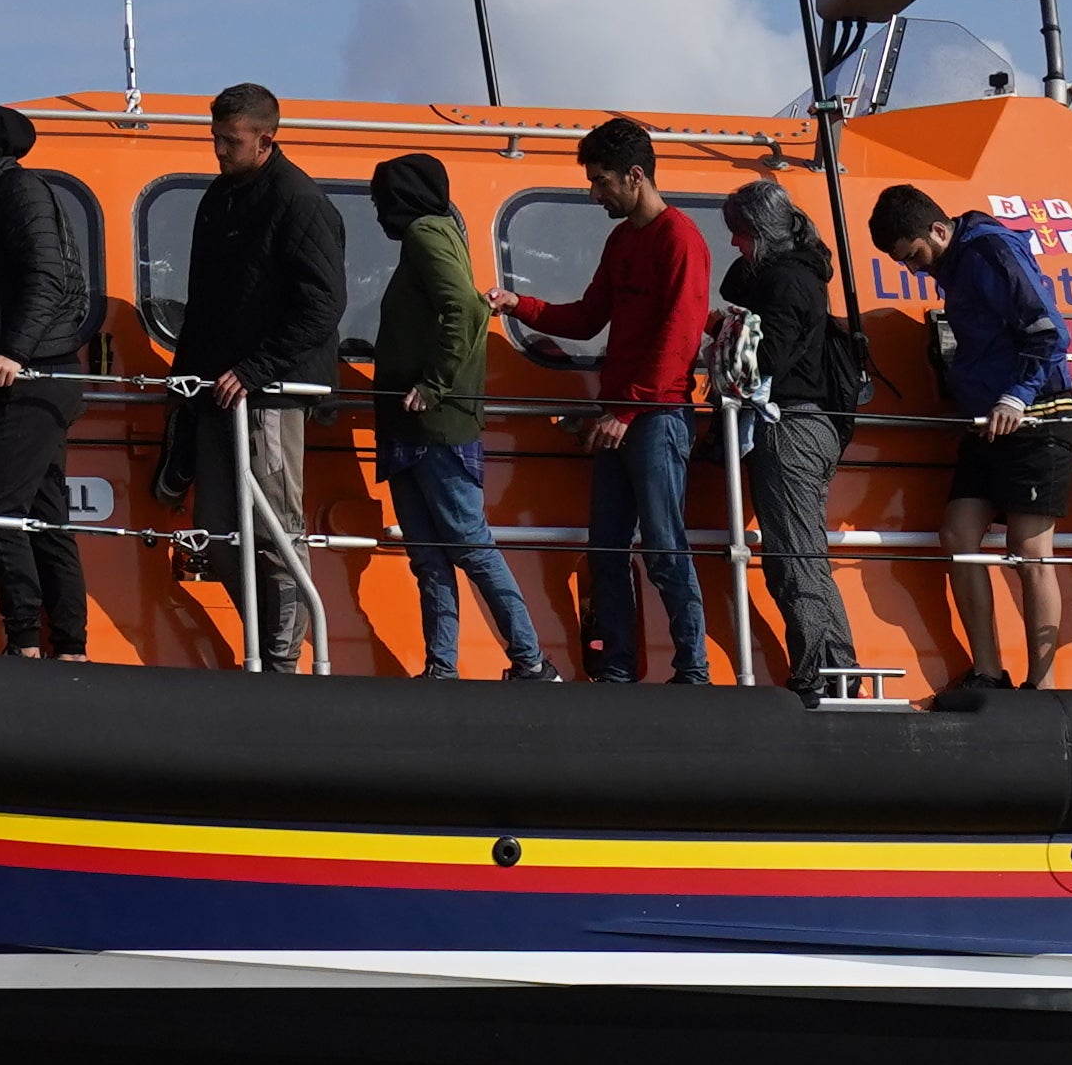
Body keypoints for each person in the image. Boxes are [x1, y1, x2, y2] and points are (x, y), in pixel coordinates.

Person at [508, 120, 717, 688]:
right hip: (625, 417)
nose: (594, 194)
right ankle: (620, 668)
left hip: (655, 418)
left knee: (664, 548)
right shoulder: (624, 241)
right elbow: (588, 315)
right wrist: (517, 304)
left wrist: (625, 412)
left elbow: (680, 339)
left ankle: (692, 670)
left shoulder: (681, 241)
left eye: (600, 183)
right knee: (606, 549)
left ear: (635, 176)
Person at [169, 83, 348, 669]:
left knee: (275, 526)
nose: (218, 150)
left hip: (269, 393)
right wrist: (185, 383)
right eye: (215, 138)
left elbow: (323, 305)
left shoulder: (301, 203)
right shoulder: (218, 199)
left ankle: (283, 659)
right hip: (218, 392)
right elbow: (203, 303)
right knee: (217, 528)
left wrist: (255, 369)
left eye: (229, 140)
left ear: (265, 140)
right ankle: (271, 640)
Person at [872, 181, 1072, 698]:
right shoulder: (959, 264)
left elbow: (1051, 332)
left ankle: (1044, 683)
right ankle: (988, 671)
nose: (915, 269)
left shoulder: (991, 250)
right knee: (959, 536)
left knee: (1030, 550)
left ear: (939, 230)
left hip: (1034, 417)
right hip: (987, 422)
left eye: (915, 256)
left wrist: (1017, 396)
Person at [366, 155, 549, 680]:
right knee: (429, 556)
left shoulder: (426, 233)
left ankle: (530, 659)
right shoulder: (436, 232)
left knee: (468, 544)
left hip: (433, 427)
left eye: (382, 201)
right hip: (410, 427)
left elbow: (465, 308)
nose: (379, 213)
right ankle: (442, 666)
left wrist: (433, 383)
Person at [0, 106, 103, 657]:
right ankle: (72, 646)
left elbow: (47, 276)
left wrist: (13, 352)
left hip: (37, 375)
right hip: (40, 374)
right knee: (45, 514)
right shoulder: (2, 201)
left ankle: (27, 642)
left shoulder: (21, 193)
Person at [720, 178, 862, 697]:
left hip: (789, 429)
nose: (734, 245)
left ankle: (824, 671)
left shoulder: (784, 284)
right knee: (800, 553)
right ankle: (836, 670)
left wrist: (722, 341)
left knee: (794, 557)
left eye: (740, 234)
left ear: (759, 233)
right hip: (811, 427)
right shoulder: (800, 276)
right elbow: (736, 286)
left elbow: (766, 361)